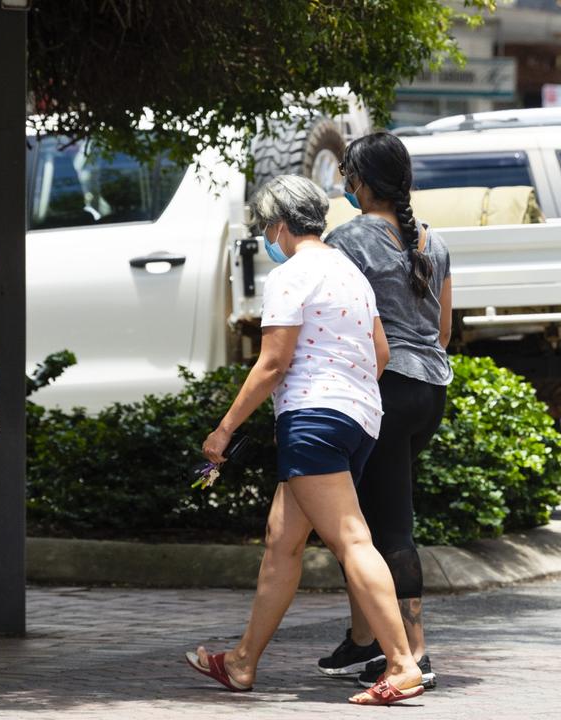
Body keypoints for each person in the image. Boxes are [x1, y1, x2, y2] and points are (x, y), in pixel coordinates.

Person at [183, 175, 425, 706]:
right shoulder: (349, 271)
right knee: (282, 541)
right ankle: (243, 663)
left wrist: (224, 428)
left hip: (312, 419)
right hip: (358, 418)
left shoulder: (291, 275)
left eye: (265, 227)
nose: (267, 237)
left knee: (351, 539)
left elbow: (273, 363)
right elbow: (380, 352)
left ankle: (403, 662)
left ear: (279, 225)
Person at [316, 131, 452, 690]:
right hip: (430, 391)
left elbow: (339, 320)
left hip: (385, 390)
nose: (344, 184)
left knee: (388, 526)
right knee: (365, 518)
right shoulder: (432, 240)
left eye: (348, 174)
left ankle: (414, 652)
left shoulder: (347, 239)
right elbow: (444, 330)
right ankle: (365, 637)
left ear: (361, 182)